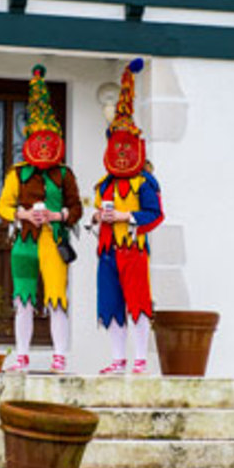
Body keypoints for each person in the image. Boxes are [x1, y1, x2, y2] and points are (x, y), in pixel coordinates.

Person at [0, 65, 83, 373]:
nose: (45, 146)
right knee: (23, 299)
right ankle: (21, 356)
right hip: (24, 242)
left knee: (58, 298)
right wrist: (22, 213)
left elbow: (77, 209)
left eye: (49, 140)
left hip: (54, 241)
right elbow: (3, 206)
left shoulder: (64, 174)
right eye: (39, 139)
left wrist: (57, 215)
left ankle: (59, 356)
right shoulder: (17, 173)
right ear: (30, 139)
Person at [93, 59, 164, 375]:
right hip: (107, 249)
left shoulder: (144, 181)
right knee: (110, 303)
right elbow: (97, 212)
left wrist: (126, 215)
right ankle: (118, 358)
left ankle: (139, 359)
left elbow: (155, 213)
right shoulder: (104, 183)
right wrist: (98, 217)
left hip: (133, 248)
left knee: (137, 301)